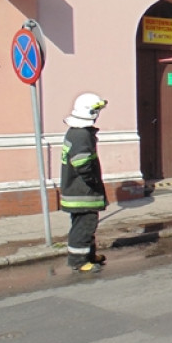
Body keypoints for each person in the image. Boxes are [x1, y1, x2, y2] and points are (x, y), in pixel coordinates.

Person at [61, 93, 109, 273]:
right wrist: (94, 182)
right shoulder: (81, 135)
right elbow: (82, 163)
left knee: (86, 224)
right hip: (82, 192)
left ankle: (88, 255)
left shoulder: (75, 131)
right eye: (96, 110)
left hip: (76, 191)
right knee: (85, 225)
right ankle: (78, 261)